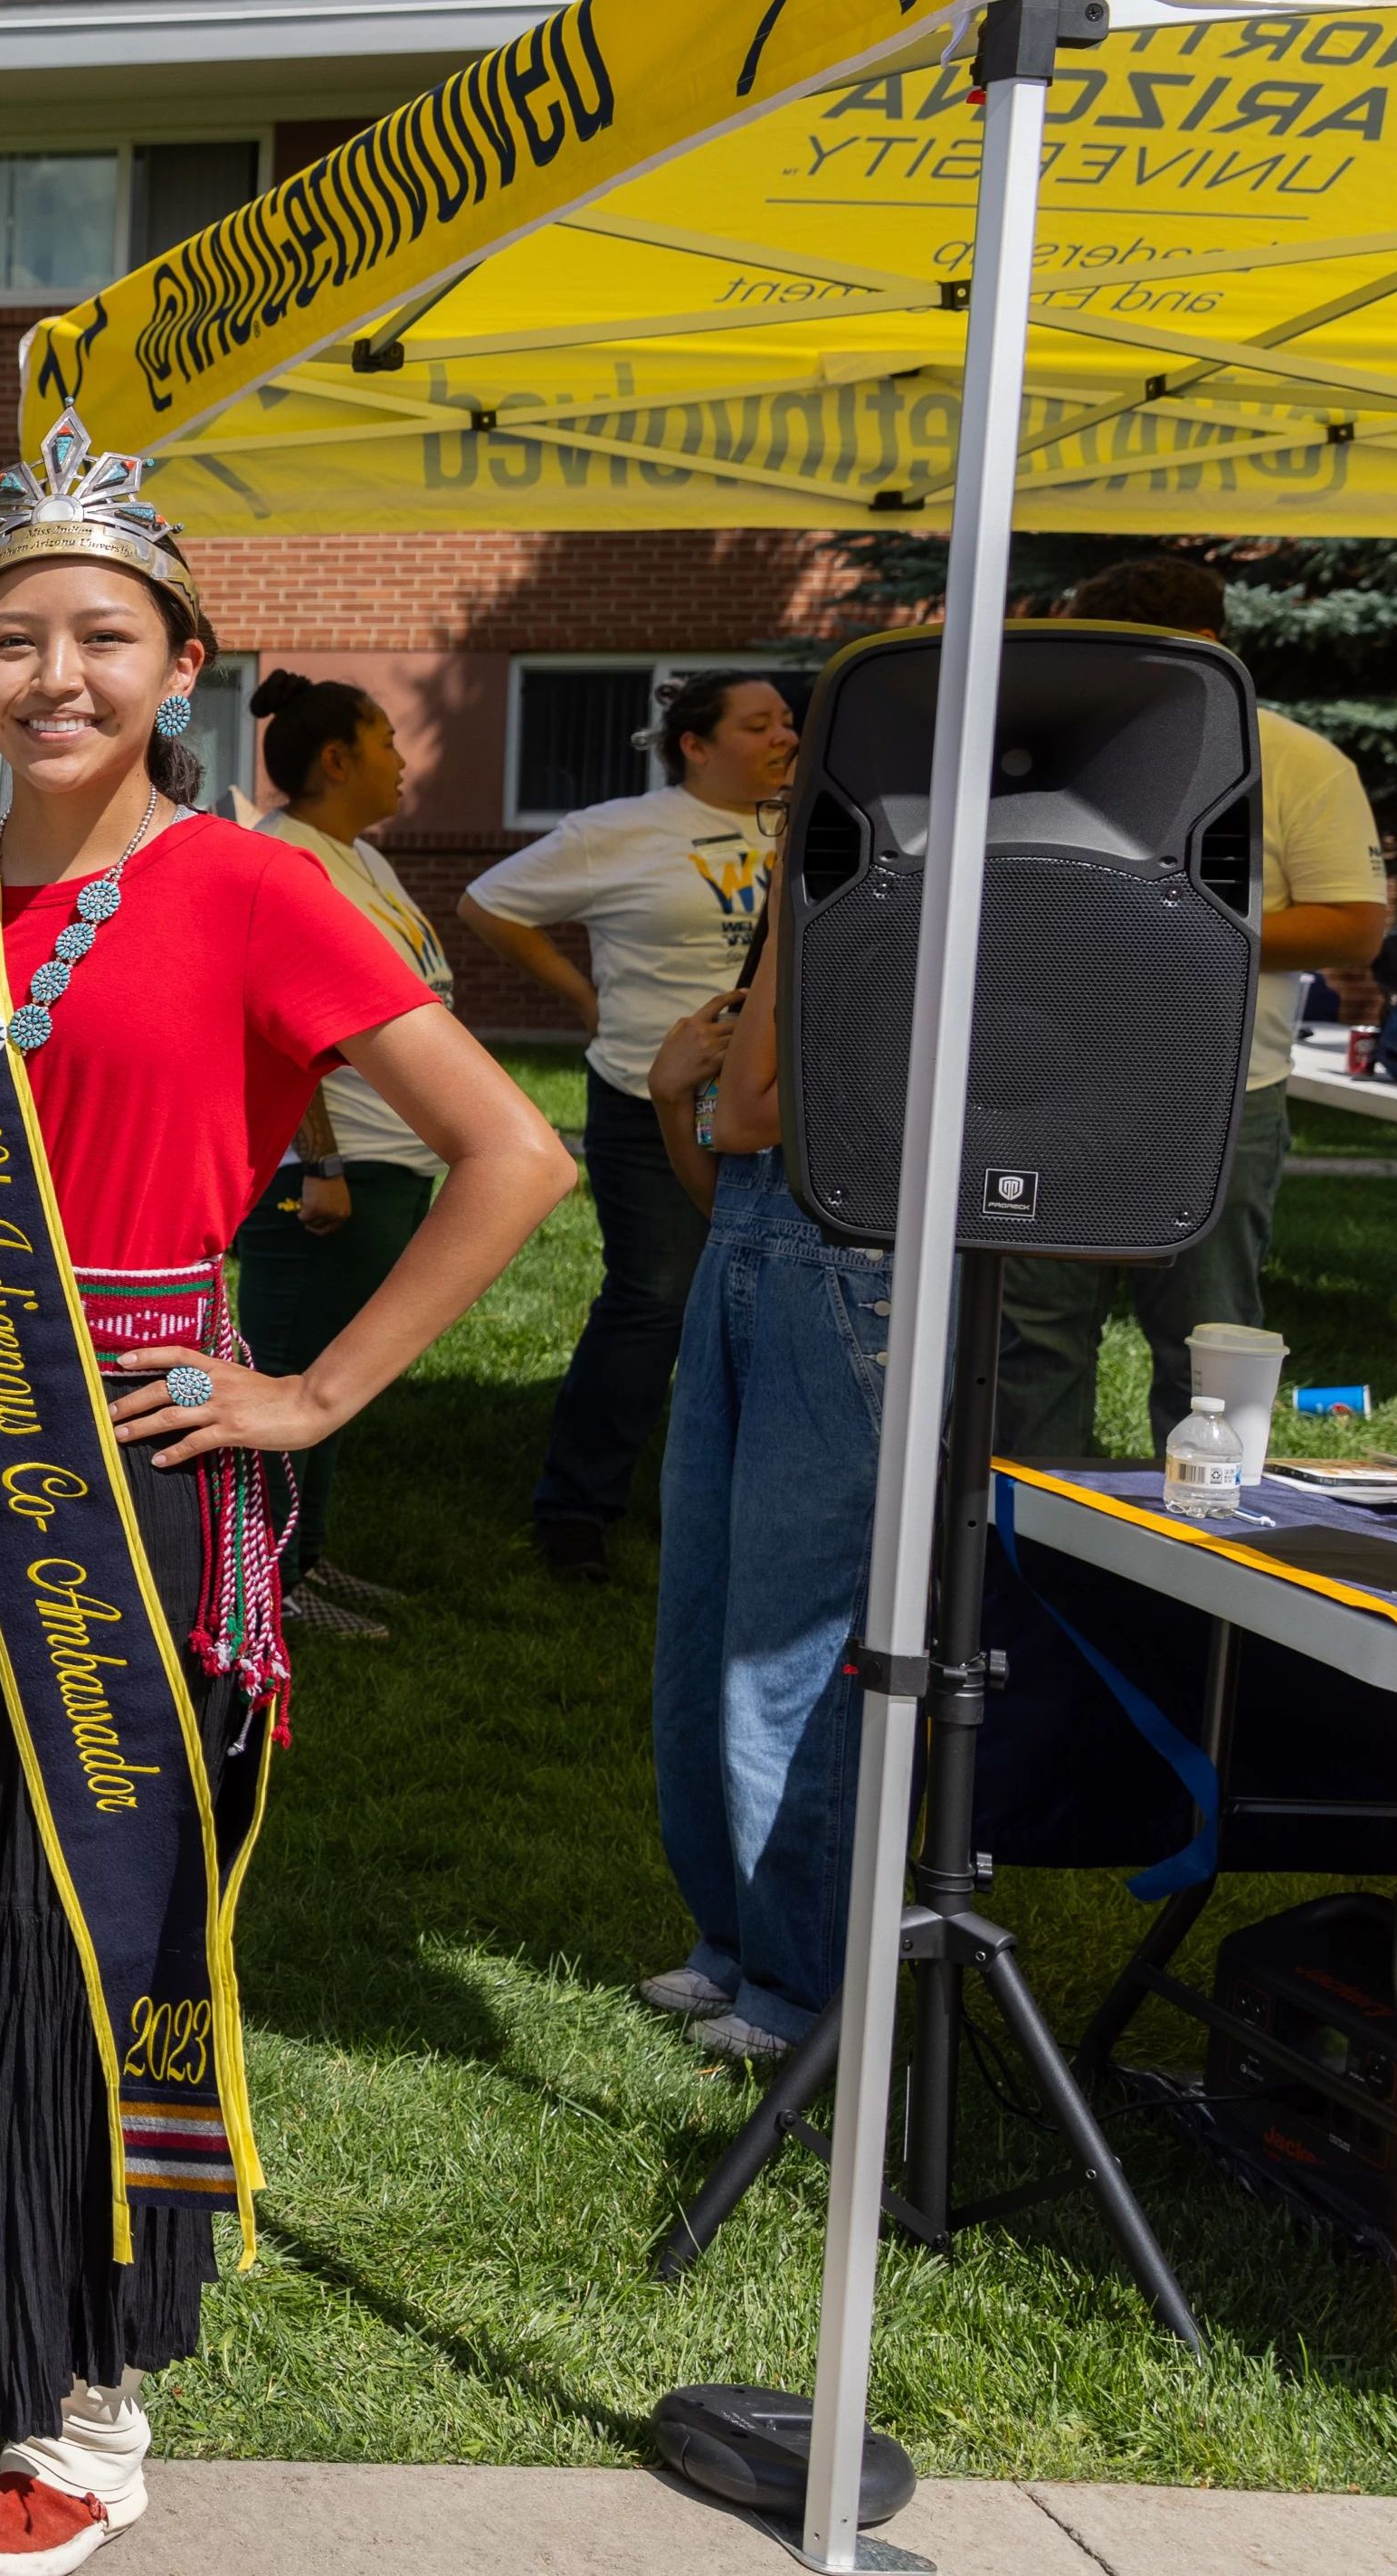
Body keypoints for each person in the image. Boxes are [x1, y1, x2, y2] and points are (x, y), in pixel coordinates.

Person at [0, 422, 565, 2576]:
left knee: (87, 1921)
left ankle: (84, 2414)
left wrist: (309, 1392)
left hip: (139, 1468)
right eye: (13, 638)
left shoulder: (261, 889)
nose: (55, 674)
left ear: (179, 663)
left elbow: (513, 1160)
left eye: (101, 633)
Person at [998, 555, 1393, 1458]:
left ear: (1217, 650)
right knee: (1031, 1342)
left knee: (1209, 1353)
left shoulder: (1294, 761)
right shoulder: (1046, 753)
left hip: (1216, 1097)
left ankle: (1203, 1568)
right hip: (1046, 1091)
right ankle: (1024, 1564)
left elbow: (1351, 931)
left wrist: (1173, 921)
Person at [457, 668, 794, 1578]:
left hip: (781, 1106)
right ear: (694, 743)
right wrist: (580, 996)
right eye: (757, 723)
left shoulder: (814, 825)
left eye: (786, 721)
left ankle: (748, 1498)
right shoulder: (620, 832)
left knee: (777, 1302)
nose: (782, 737)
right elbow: (487, 903)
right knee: (652, 1299)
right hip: (650, 1094)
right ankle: (576, 1508)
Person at [641, 935, 889, 2062]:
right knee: (699, 1625)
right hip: (746, 1269)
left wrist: (797, 910)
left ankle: (798, 1985)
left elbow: (746, 1120)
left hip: (843, 1284)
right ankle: (730, 1939)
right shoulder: (809, 919)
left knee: (788, 1638)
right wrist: (663, 1096)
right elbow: (719, 1170)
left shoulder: (879, 924)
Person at [229, 670, 460, 1635]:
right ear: (335, 759)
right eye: (386, 744)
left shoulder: (351, 855)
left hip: (384, 1160)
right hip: (327, 1176)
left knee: (331, 1377)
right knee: (287, 1380)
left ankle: (303, 1563)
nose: (402, 764)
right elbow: (275, 1028)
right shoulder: (286, 860)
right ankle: (261, 1584)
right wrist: (317, 1166)